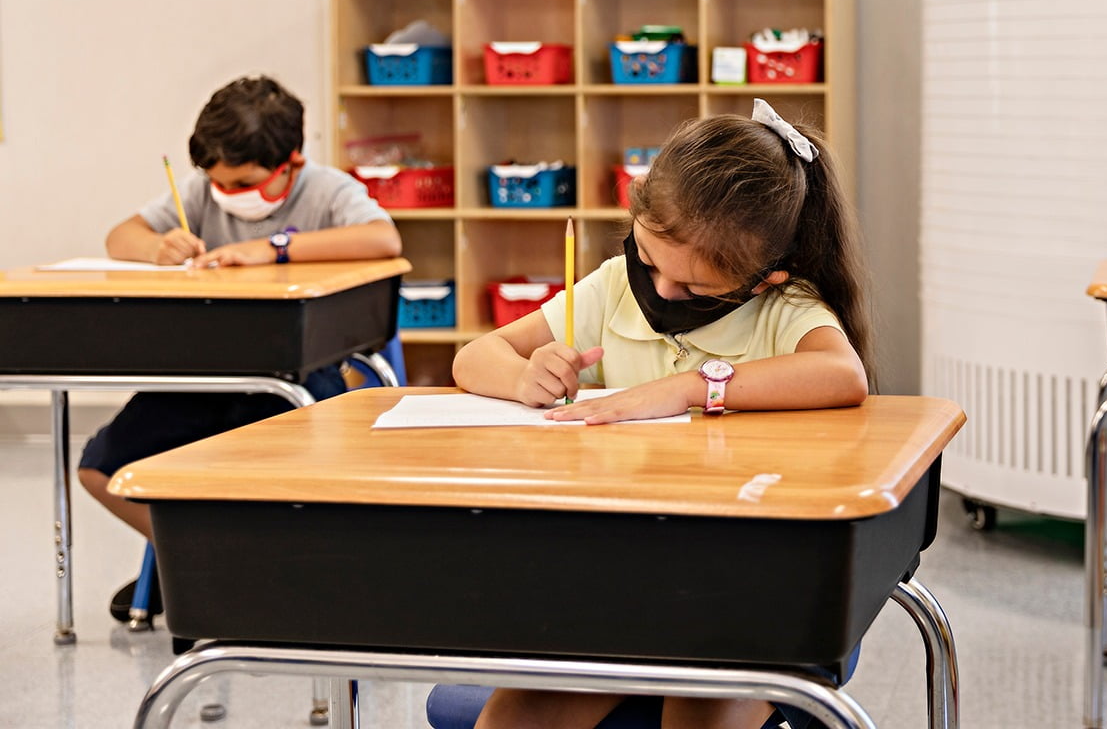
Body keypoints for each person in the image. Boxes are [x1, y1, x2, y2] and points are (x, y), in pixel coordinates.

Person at [454, 100, 872, 729]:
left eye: (697, 288)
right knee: (519, 714)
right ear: (640, 205)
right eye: (649, 262)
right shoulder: (611, 287)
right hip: (625, 579)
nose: (663, 292)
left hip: (754, 589)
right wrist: (522, 375)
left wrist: (687, 387)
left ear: (765, 277)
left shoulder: (785, 309)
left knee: (699, 710)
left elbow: (842, 376)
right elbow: (473, 357)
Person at [81, 75, 402, 621]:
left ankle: (243, 570)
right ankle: (200, 564)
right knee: (101, 466)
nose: (226, 194)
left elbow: (383, 238)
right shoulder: (199, 192)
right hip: (210, 376)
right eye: (217, 182)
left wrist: (275, 249)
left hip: (298, 377)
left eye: (242, 182)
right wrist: (158, 246)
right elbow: (120, 236)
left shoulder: (326, 190)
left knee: (298, 483)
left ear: (291, 163)